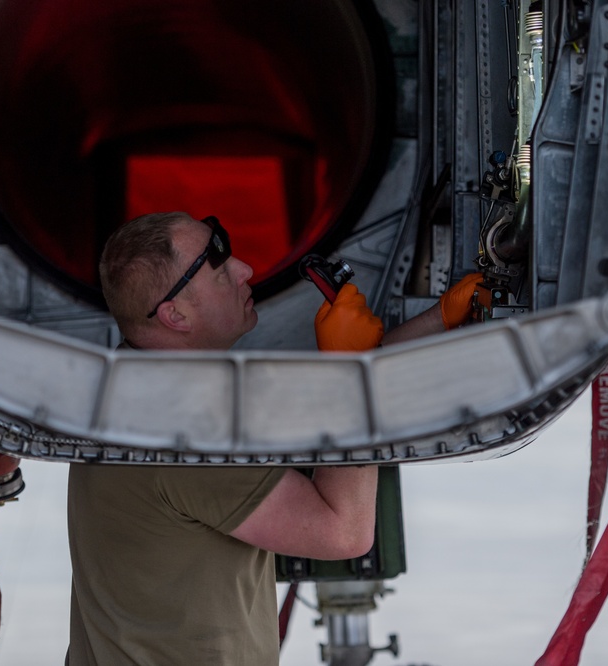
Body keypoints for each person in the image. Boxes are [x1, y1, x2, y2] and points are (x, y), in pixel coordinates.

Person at [66, 211, 486, 665]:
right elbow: (342, 532)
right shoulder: (180, 427)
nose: (244, 269)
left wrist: (438, 320)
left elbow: (309, 419)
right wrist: (352, 375)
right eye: (220, 270)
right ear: (175, 314)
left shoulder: (141, 387)